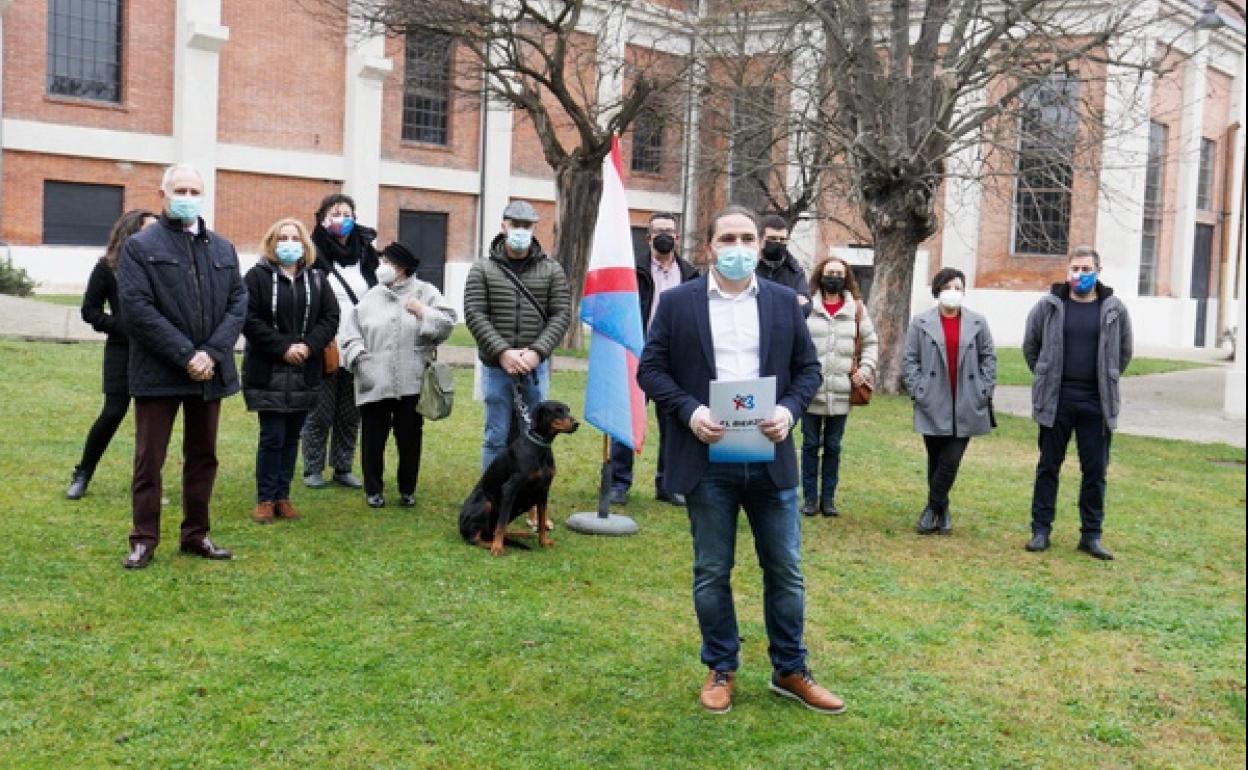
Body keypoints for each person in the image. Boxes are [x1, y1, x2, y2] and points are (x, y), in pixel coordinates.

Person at [638, 205, 845, 716]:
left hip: (771, 458)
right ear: (709, 246)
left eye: (747, 238)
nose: (739, 247)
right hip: (707, 459)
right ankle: (721, 666)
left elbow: (808, 370)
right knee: (713, 570)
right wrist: (691, 412)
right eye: (727, 238)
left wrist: (789, 412)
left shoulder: (783, 303)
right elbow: (651, 369)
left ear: (759, 244)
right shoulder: (679, 303)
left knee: (786, 570)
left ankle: (790, 668)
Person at [116, 163, 246, 569]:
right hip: (159, 372)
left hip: (209, 372)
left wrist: (212, 353)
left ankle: (196, 534)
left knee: (203, 456)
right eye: (180, 190)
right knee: (149, 459)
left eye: (194, 191)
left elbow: (238, 303)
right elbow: (136, 309)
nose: (187, 198)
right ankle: (144, 539)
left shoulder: (222, 248)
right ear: (163, 194)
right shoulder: (140, 247)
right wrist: (187, 355)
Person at [1023, 246, 1133, 560]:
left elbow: (1124, 352)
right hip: (1056, 401)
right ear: (1067, 270)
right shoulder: (1049, 306)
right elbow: (1031, 347)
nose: (1080, 275)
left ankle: (1091, 535)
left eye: (1086, 269)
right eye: (1075, 269)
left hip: (1096, 404)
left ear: (1098, 271)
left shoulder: (1114, 309)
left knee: (1095, 471)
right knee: (1048, 466)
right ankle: (1041, 530)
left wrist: (1107, 378)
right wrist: (1046, 376)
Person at [341, 242, 456, 508]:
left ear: (403, 267)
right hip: (374, 379)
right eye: (381, 261)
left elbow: (448, 323)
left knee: (409, 438)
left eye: (387, 262)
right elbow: (350, 334)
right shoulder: (371, 296)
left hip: (412, 380)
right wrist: (359, 357)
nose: (382, 267)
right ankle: (373, 489)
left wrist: (423, 312)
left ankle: (407, 489)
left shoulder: (425, 291)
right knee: (373, 438)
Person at [241, 218, 340, 524]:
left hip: (304, 372)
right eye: (282, 238)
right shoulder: (256, 277)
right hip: (268, 371)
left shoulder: (317, 278)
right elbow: (248, 319)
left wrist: (308, 346)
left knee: (292, 437)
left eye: (294, 238)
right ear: (272, 243)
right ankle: (265, 498)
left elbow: (330, 317)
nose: (288, 243)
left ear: (304, 244)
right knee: (272, 436)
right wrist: (283, 347)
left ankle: (282, 496)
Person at [463, 199, 572, 472]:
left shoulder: (552, 269)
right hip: (495, 365)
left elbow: (561, 314)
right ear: (504, 226)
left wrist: (536, 352)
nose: (521, 230)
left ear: (534, 228)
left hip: (535, 366)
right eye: (515, 224)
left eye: (527, 225)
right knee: (495, 436)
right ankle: (491, 490)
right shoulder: (482, 269)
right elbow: (475, 314)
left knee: (535, 435)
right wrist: (502, 352)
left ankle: (529, 491)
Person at [65, 209, 157, 500]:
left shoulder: (162, 266)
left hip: (156, 352)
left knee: (152, 420)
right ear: (131, 233)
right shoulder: (107, 267)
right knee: (114, 411)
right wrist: (120, 327)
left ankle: (145, 483)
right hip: (122, 350)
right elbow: (89, 310)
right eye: (148, 230)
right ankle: (83, 473)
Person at [608, 211, 698, 507]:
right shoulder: (632, 271)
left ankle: (669, 484)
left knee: (673, 423)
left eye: (669, 231)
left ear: (677, 237)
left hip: (676, 359)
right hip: (638, 354)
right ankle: (618, 483)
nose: (664, 236)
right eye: (658, 231)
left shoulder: (691, 275)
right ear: (648, 238)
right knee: (628, 420)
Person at [901, 267, 997, 536]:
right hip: (933, 400)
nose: (953, 292)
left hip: (967, 401)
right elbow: (910, 360)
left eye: (958, 288)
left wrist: (983, 389)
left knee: (951, 459)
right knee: (936, 458)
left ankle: (931, 508)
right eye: (948, 287)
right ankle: (942, 511)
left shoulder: (978, 322)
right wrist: (919, 390)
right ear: (937, 290)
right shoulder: (920, 323)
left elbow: (989, 357)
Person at [301, 193, 379, 490]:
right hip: (325, 341)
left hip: (358, 342)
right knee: (320, 410)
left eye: (347, 214)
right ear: (322, 219)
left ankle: (343, 466)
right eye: (335, 214)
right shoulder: (311, 253)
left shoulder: (366, 253)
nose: (341, 220)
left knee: (350, 411)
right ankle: (313, 467)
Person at [800, 255, 878, 517]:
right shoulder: (807, 306)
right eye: (829, 272)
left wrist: (865, 370)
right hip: (811, 391)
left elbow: (871, 342)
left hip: (842, 391)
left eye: (838, 274)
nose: (833, 277)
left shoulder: (856, 309)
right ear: (820, 275)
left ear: (846, 278)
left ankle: (828, 499)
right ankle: (810, 499)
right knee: (810, 445)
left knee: (833, 446)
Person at [757, 213, 811, 316]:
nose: (778, 242)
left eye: (782, 239)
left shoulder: (795, 271)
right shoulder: (749, 267)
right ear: (760, 240)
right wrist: (790, 300)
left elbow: (806, 307)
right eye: (772, 238)